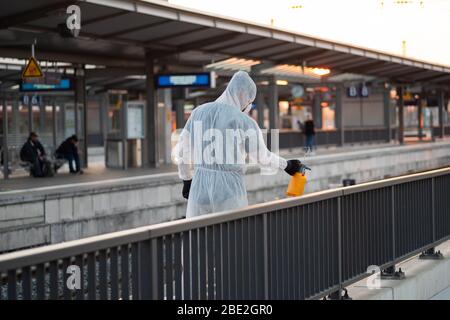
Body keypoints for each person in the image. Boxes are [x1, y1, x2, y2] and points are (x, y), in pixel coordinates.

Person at [174, 71, 301, 218]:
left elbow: (183, 149)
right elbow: (262, 157)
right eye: (248, 101)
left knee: (199, 236)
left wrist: (186, 179)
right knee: (231, 236)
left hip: (200, 189)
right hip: (229, 192)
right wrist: (287, 165)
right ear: (242, 94)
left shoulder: (198, 112)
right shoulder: (244, 122)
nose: (247, 105)